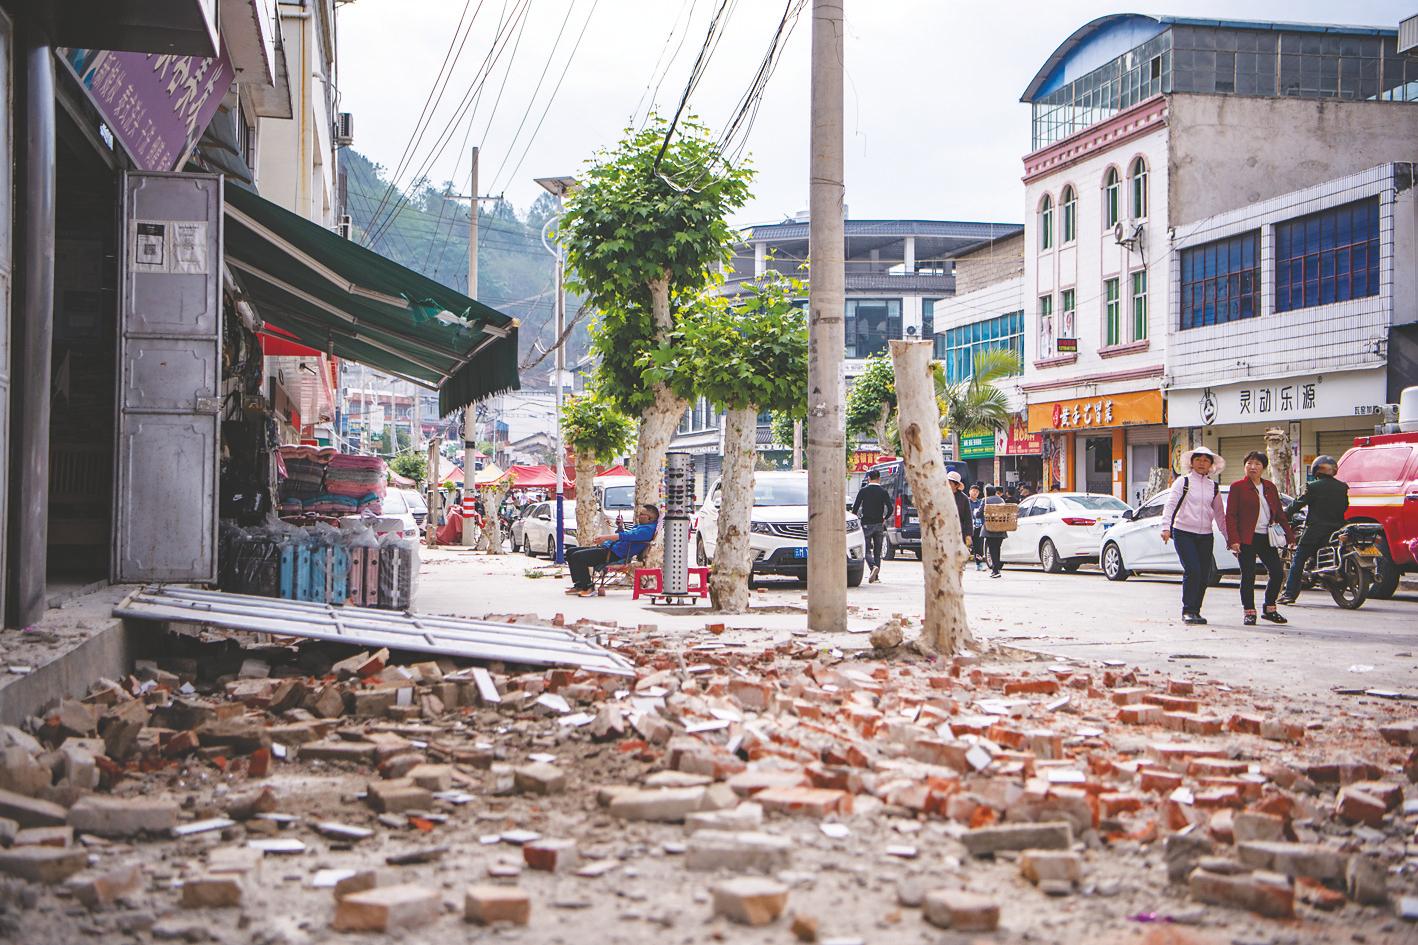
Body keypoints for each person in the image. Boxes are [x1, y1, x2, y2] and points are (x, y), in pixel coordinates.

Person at [1225, 450, 1293, 625]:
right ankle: (1249, 612)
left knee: (1277, 573)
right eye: (1249, 463)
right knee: (1248, 575)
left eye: (1257, 464)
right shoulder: (1237, 487)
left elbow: (1279, 514)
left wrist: (1290, 537)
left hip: (1266, 537)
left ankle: (1270, 609)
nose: (1252, 467)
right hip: (1246, 538)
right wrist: (1233, 540)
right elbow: (1231, 515)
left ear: (1264, 467)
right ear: (1244, 466)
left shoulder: (1270, 487)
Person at [1161, 446, 1227, 625]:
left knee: (1204, 574)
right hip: (1183, 533)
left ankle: (1196, 610)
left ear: (1211, 465)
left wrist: (1229, 538)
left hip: (1205, 535)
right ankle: (1188, 610)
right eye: (1198, 459)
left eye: (1206, 460)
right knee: (1193, 570)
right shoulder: (1183, 482)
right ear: (1192, 462)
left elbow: (1220, 515)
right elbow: (1171, 505)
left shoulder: (1213, 487)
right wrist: (1166, 527)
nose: (1201, 463)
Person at [1279, 455, 1349, 604]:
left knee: (1298, 558)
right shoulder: (1342, 487)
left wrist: (1283, 515)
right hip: (1338, 529)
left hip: (1316, 530)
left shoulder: (1313, 487)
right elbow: (1345, 507)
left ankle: (1289, 594)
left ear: (1317, 470)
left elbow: (1297, 504)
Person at [564, 504, 660, 598]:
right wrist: (620, 527)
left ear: (649, 518)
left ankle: (588, 587)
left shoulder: (646, 530)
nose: (639, 516)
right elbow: (626, 536)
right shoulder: (641, 527)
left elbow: (626, 536)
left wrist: (605, 538)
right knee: (570, 551)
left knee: (578, 556)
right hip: (609, 549)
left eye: (642, 514)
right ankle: (579, 584)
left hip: (614, 554)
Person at [851, 469, 891, 583]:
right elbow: (890, 508)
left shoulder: (864, 491)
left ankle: (873, 567)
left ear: (869, 478)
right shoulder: (883, 492)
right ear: (879, 478)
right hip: (879, 524)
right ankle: (876, 577)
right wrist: (885, 518)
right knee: (877, 551)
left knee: (866, 550)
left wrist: (855, 518)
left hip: (866, 524)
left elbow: (855, 508)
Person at [947, 470, 973, 567]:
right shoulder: (941, 496)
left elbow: (968, 518)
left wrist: (968, 535)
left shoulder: (964, 498)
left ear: (956, 485)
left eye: (950, 483)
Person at [982, 485, 1007, 578]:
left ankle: (995, 570)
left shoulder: (986, 500)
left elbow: (979, 513)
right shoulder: (1001, 500)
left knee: (992, 549)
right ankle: (997, 569)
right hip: (1000, 529)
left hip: (990, 529)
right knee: (997, 548)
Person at [968, 484, 986, 571]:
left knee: (978, 546)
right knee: (966, 545)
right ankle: (962, 563)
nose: (975, 493)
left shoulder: (981, 502)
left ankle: (979, 564)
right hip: (968, 526)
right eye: (973, 491)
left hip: (979, 527)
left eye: (977, 491)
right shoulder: (966, 501)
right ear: (969, 491)